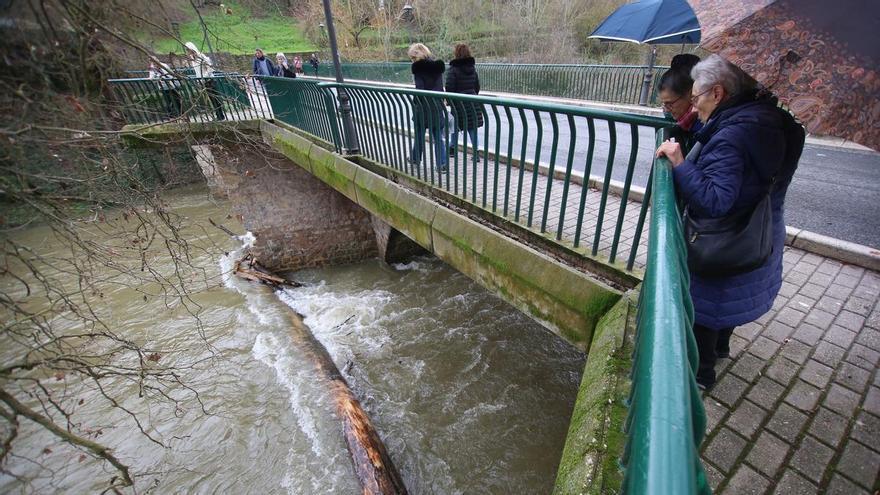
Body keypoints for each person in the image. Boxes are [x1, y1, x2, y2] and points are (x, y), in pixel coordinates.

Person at [655, 54, 805, 390]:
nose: (695, 107)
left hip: (724, 238)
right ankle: (721, 349)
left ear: (718, 93)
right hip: (759, 229)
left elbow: (714, 201)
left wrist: (680, 162)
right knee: (729, 300)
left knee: (708, 307)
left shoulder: (734, 136)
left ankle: (698, 378)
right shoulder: (771, 121)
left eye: (696, 98)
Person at [408, 43, 447, 172]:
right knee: (438, 136)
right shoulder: (437, 67)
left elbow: (419, 89)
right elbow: (440, 88)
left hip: (423, 107)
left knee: (419, 132)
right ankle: (441, 164)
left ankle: (415, 158)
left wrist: (415, 102)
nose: (412, 61)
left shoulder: (418, 69)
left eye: (413, 58)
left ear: (417, 56)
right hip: (437, 105)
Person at [445, 43, 483, 156]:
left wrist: (450, 100)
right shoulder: (472, 69)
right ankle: (476, 152)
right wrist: (473, 95)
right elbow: (477, 86)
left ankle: (452, 149)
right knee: (472, 126)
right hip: (472, 100)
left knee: (455, 126)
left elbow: (449, 87)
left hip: (458, 102)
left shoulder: (453, 69)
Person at [658, 54, 701, 149]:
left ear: (691, 94)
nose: (666, 110)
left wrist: (678, 160)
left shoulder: (701, 126)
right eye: (664, 104)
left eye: (670, 104)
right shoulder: (688, 122)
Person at [185, 41, 225, 121]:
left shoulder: (201, 56)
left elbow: (209, 68)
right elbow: (197, 71)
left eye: (188, 50)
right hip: (203, 82)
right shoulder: (193, 59)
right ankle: (218, 115)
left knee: (215, 98)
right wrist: (199, 80)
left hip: (209, 80)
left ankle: (220, 115)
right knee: (212, 99)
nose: (187, 52)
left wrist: (204, 77)